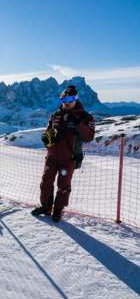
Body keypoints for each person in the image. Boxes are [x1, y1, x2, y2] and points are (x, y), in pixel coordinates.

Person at [32, 85, 95, 222]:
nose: (67, 102)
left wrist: (78, 123)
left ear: (76, 98)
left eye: (71, 98)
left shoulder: (85, 117)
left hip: (68, 158)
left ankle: (58, 210)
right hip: (52, 157)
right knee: (46, 182)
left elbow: (89, 137)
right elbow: (48, 131)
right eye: (64, 99)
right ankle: (46, 207)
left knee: (63, 186)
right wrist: (46, 138)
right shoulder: (56, 115)